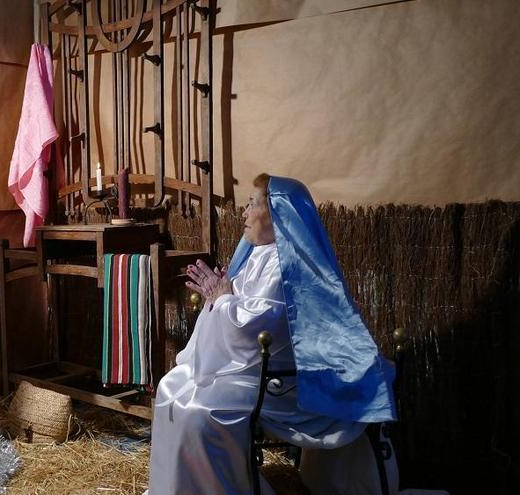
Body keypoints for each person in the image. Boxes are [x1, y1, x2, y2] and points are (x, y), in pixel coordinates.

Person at [147, 174, 398, 495]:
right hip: (252, 370)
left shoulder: (288, 265)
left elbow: (262, 327)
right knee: (171, 386)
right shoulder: (257, 255)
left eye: (252, 204)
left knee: (198, 412)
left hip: (283, 383)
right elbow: (245, 310)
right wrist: (224, 294)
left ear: (278, 213)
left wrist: (223, 299)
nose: (244, 213)